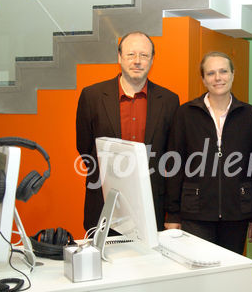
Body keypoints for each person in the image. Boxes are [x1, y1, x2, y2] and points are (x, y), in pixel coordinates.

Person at [76, 31, 179, 232]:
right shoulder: (92, 96)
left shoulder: (169, 100)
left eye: (144, 55)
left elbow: (171, 156)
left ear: (152, 60)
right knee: (103, 261)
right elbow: (85, 146)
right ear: (119, 58)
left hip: (150, 202)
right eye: (131, 55)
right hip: (103, 201)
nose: (137, 61)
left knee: (146, 262)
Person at [164, 51, 252, 254]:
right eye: (211, 73)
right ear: (203, 79)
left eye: (223, 71)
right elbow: (174, 166)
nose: (218, 78)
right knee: (199, 272)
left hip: (237, 212)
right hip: (195, 212)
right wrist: (172, 215)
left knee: (229, 273)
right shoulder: (185, 114)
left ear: (233, 75)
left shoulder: (250, 115)